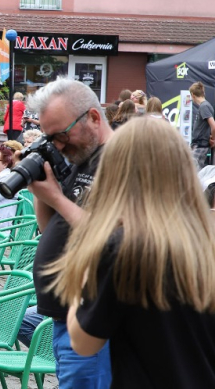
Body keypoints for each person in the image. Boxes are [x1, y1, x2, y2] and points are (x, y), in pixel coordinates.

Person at [45, 117, 215, 388]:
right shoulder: (205, 241)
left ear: (116, 170)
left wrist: (86, 262)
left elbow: (83, 342)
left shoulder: (120, 248)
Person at [26, 77, 113, 388]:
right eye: (51, 138)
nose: (59, 145)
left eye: (62, 134)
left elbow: (113, 240)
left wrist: (57, 198)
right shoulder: (79, 159)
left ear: (93, 116)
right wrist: (40, 188)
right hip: (66, 316)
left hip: (94, 318)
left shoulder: (119, 162)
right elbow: (52, 229)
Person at [190, 82, 215, 170]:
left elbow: (213, 125)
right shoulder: (205, 106)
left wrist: (213, 139)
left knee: (192, 169)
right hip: (199, 145)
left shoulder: (204, 106)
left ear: (193, 95)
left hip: (200, 145)